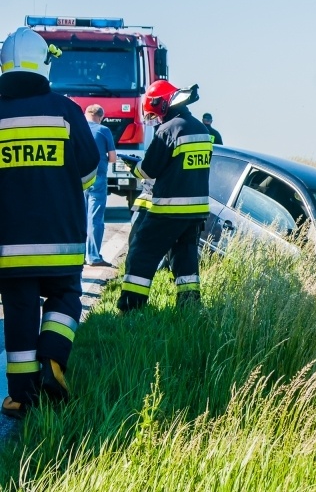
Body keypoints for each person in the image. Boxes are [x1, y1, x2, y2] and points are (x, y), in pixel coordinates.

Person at [0, 27, 100, 418]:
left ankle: (21, 397)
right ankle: (53, 360)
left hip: (9, 244)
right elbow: (89, 174)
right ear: (45, 64)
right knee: (65, 297)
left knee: (20, 314)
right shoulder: (65, 110)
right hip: (61, 240)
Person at [117, 80, 212, 312]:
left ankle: (131, 308)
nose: (156, 119)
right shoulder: (202, 129)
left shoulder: (168, 129)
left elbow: (148, 170)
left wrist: (133, 167)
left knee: (142, 252)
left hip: (169, 209)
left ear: (162, 104)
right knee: (185, 258)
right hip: (196, 211)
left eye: (155, 113)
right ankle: (189, 307)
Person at [84, 104, 117, 267]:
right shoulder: (104, 130)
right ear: (101, 116)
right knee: (95, 217)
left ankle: (80, 255)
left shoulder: (77, 128)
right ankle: (94, 256)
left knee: (80, 217)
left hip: (79, 177)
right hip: (97, 177)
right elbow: (112, 158)